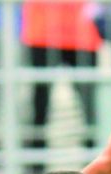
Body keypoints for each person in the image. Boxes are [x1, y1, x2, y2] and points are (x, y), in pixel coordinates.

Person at [23, 1, 101, 147]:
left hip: (80, 34)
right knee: (41, 98)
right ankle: (36, 153)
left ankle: (94, 154)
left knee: (88, 100)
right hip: (43, 35)